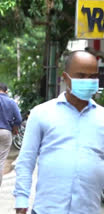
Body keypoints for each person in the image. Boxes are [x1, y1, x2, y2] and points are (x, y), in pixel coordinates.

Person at [14, 51, 104, 214]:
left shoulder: (102, 118)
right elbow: (26, 161)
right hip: (47, 209)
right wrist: (21, 200)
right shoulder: (41, 113)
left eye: (93, 76)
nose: (88, 81)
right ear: (65, 77)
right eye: (81, 76)